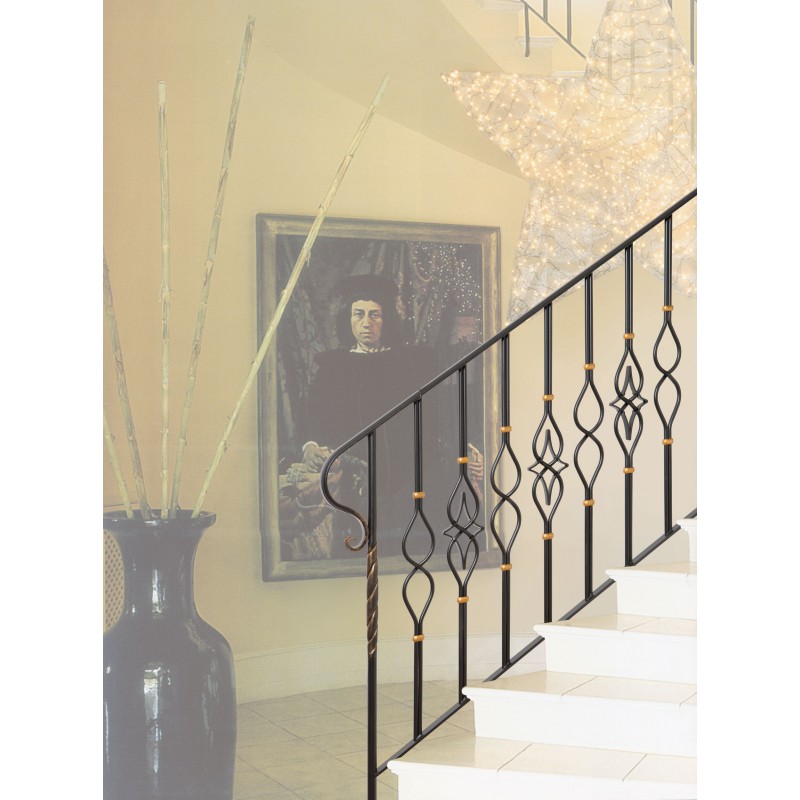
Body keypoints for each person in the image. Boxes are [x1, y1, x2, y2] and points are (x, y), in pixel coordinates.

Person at [283, 274, 483, 560]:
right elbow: (311, 418)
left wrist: (466, 446)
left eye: (374, 314)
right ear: (348, 319)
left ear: (385, 319)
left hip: (407, 477)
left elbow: (439, 414)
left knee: (408, 550)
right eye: (359, 314)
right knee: (358, 550)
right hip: (352, 481)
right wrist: (311, 447)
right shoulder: (332, 367)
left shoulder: (411, 362)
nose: (367, 323)